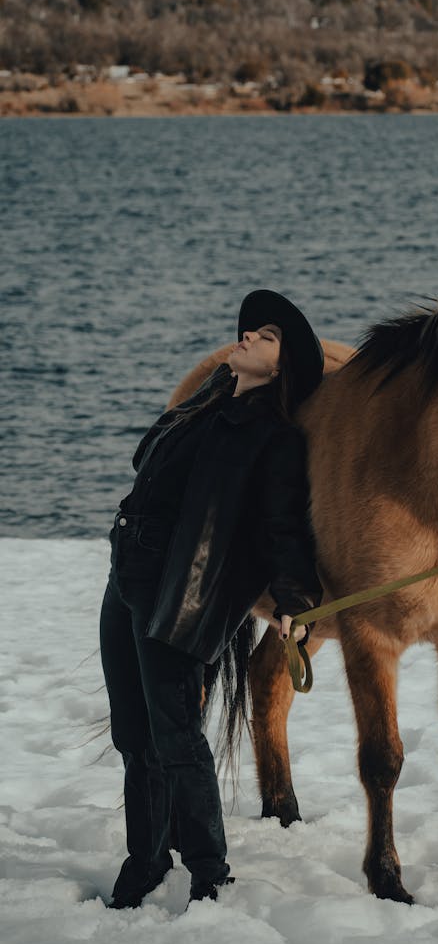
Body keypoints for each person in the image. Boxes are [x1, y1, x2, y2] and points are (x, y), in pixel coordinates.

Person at [100, 289, 324, 908]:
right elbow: (145, 461)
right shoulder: (207, 405)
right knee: (132, 732)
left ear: (281, 368)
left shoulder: (274, 437)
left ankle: (208, 872)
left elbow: (284, 528)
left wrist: (291, 602)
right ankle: (145, 860)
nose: (248, 336)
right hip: (128, 572)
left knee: (175, 732)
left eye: (266, 337)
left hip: (182, 587)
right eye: (251, 331)